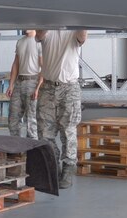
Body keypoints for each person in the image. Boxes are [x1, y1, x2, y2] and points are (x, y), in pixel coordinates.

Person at [36, 28, 89, 188]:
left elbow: (82, 37)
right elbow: (39, 35)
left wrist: (79, 21)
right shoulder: (47, 27)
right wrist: (49, 21)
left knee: (68, 129)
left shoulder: (74, 29)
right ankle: (52, 165)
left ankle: (68, 167)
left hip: (69, 87)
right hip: (48, 86)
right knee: (44, 131)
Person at [8, 28, 43, 138]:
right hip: (19, 82)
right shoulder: (20, 42)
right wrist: (11, 85)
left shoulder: (39, 42)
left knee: (31, 120)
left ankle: (32, 146)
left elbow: (44, 67)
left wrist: (38, 88)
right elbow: (16, 64)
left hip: (33, 82)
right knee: (13, 117)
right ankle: (16, 145)